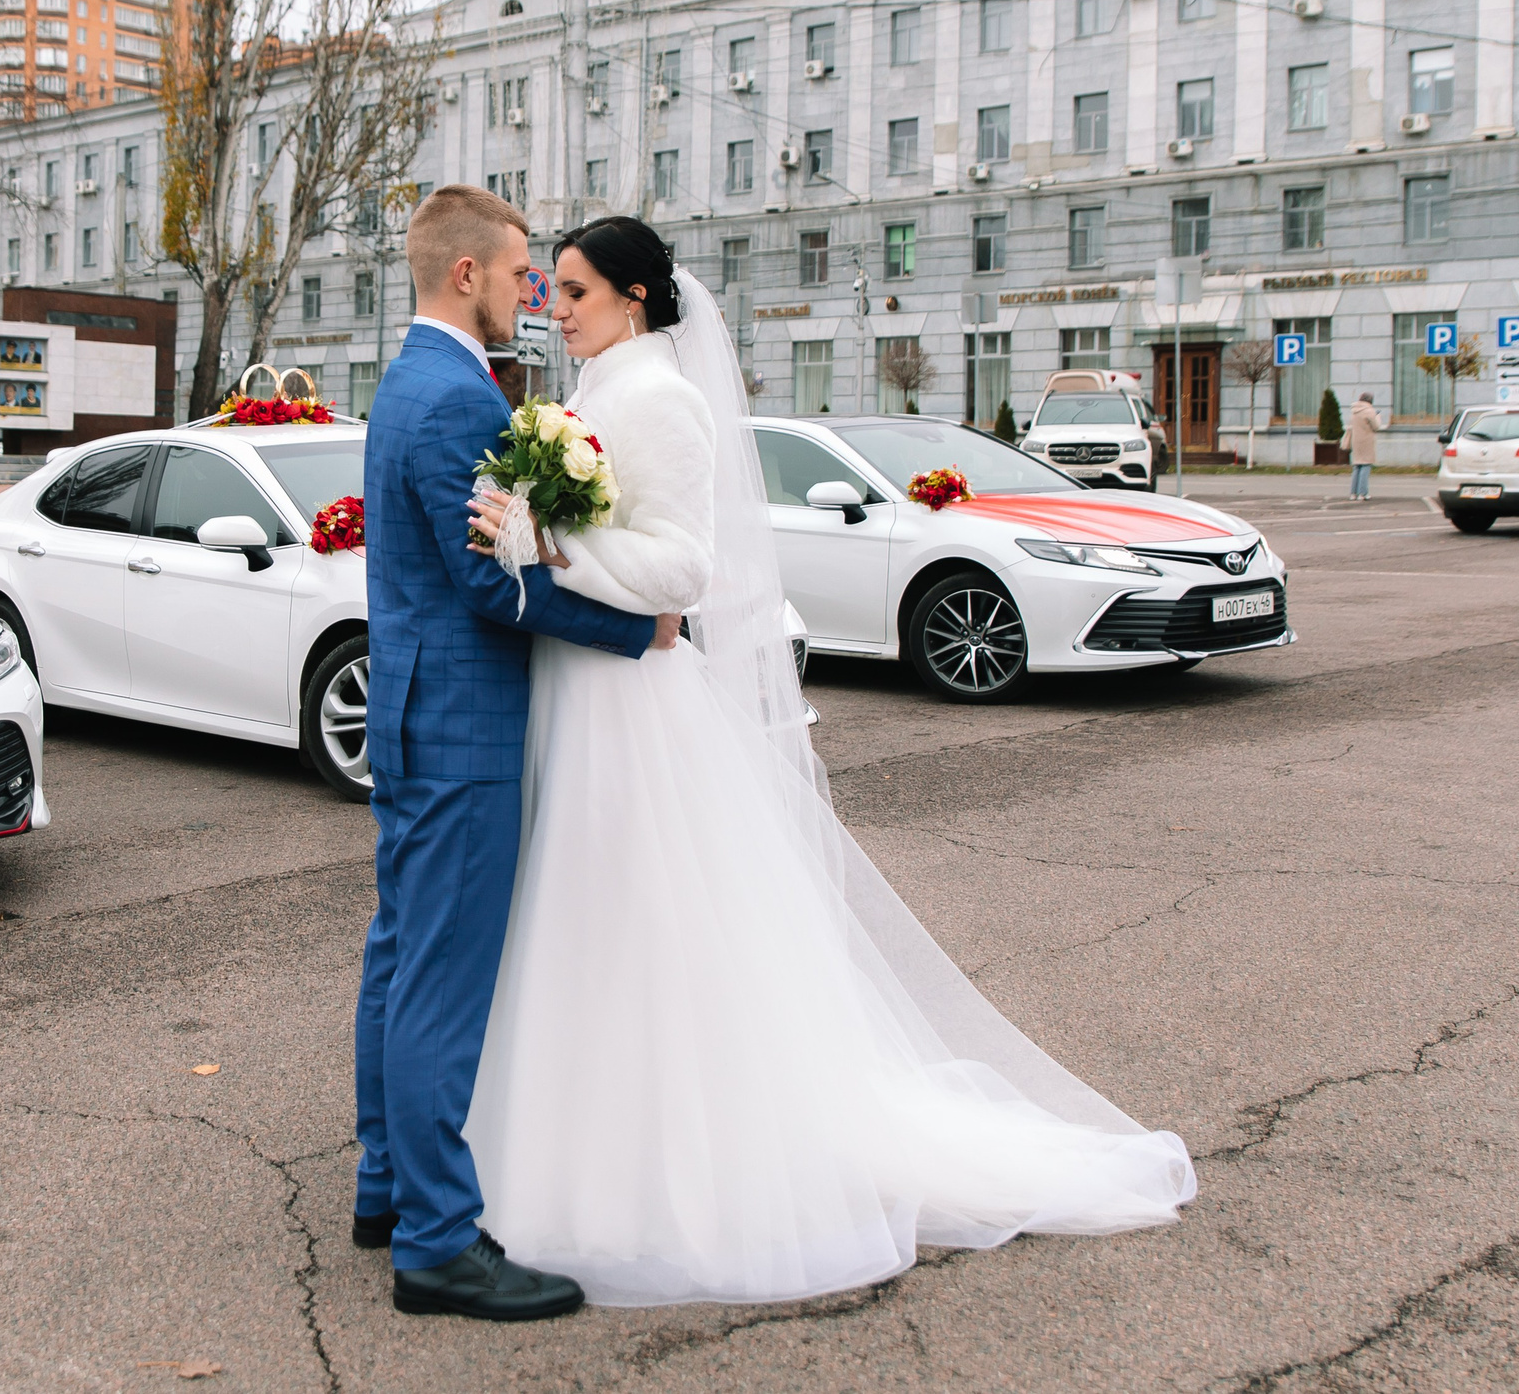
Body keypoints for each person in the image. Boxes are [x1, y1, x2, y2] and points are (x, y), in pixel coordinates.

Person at [459, 215, 1196, 1308]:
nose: (553, 309)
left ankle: (653, 1170)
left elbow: (681, 573)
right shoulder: (595, 396)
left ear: (636, 300)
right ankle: (577, 1140)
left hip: (632, 706)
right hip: (585, 692)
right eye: (552, 291)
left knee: (639, 921)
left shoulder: (658, 397)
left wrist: (545, 544)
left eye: (571, 292)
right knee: (591, 916)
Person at [356, 185, 676, 1323]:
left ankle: (385, 1187)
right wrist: (638, 629)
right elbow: (491, 585)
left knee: (400, 956)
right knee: (440, 978)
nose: (531, 291)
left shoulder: (413, 382)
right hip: (459, 731)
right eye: (519, 272)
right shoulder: (452, 398)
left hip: (416, 717)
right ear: (465, 277)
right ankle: (438, 1245)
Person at [1347, 391, 1383, 500]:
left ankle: (1353, 493)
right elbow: (1376, 426)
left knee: (1357, 466)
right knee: (1366, 466)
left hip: (1356, 441)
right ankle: (1363, 493)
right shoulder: (1369, 411)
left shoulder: (1354, 411)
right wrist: (1378, 416)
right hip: (1367, 440)